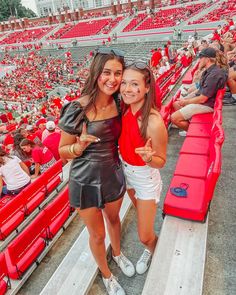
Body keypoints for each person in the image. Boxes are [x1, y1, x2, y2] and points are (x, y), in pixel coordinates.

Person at [58, 48, 134, 295]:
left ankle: (119, 253)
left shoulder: (120, 102)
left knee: (114, 220)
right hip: (84, 180)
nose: (112, 79)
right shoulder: (76, 108)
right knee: (98, 235)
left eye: (118, 73)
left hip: (112, 173)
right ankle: (107, 274)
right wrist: (78, 146)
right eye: (107, 72)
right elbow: (62, 151)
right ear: (96, 73)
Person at [119, 61, 168, 274]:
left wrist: (149, 158)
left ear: (147, 88)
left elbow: (161, 161)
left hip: (144, 176)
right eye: (124, 83)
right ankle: (152, 249)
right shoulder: (124, 109)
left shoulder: (154, 122)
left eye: (134, 84)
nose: (127, 89)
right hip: (126, 172)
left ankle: (154, 250)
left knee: (144, 235)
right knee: (140, 214)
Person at [171, 47, 228, 134]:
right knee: (177, 103)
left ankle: (192, 131)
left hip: (207, 105)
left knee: (174, 117)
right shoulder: (212, 71)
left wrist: (185, 102)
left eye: (201, 58)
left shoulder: (214, 74)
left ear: (207, 59)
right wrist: (185, 101)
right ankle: (191, 126)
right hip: (206, 102)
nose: (199, 60)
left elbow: (202, 99)